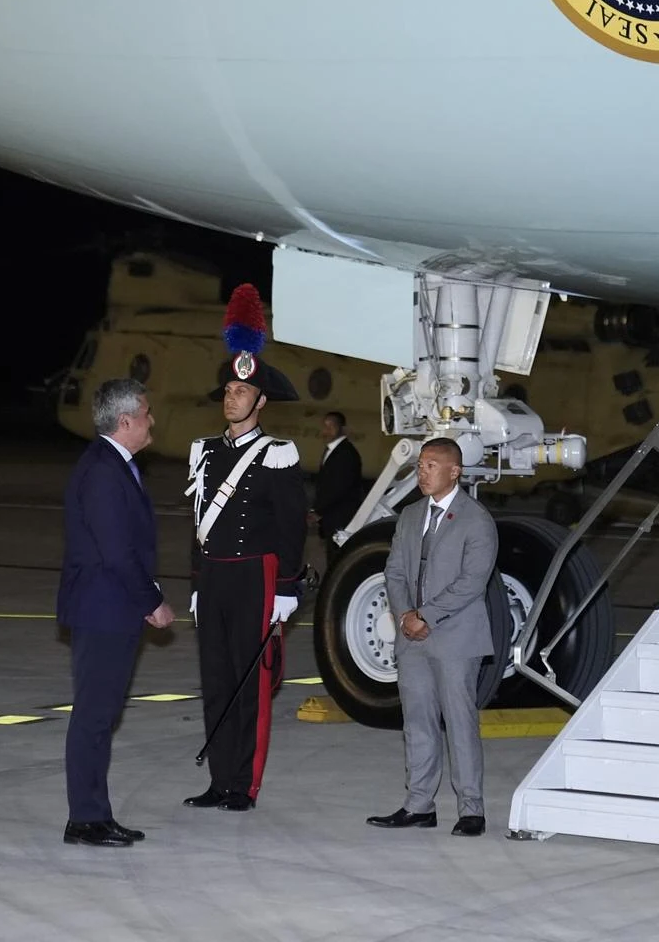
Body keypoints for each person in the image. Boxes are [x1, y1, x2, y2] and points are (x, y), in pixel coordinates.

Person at [183, 285, 306, 813]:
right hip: (214, 577)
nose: (231, 396)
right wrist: (195, 583)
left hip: (257, 575)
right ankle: (218, 780)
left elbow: (291, 526)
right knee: (215, 682)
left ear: (261, 401)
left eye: (241, 390)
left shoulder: (278, 453)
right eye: (229, 388)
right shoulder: (203, 451)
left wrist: (286, 589)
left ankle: (244, 786)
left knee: (250, 686)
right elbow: (197, 525)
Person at [56, 377, 174, 848]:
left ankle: (95, 814)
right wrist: (153, 601)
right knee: (93, 717)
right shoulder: (105, 471)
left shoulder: (114, 464)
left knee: (100, 717)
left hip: (110, 608)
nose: (151, 420)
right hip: (104, 610)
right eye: (146, 413)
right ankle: (85, 819)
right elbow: (116, 553)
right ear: (125, 421)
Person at [368, 438, 499, 837]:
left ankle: (471, 808)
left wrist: (425, 614)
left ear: (454, 471)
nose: (422, 473)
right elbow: (394, 572)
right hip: (412, 639)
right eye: (420, 465)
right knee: (418, 722)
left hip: (455, 638)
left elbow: (472, 583)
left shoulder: (476, 520)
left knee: (460, 723)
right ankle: (419, 804)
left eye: (430, 466)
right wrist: (406, 614)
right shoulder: (409, 516)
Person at [311, 411, 366, 567]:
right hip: (332, 517)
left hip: (341, 517)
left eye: (331, 426)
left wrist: (318, 510)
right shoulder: (332, 451)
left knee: (337, 561)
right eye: (325, 426)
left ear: (342, 429)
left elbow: (338, 487)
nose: (326, 431)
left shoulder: (346, 454)